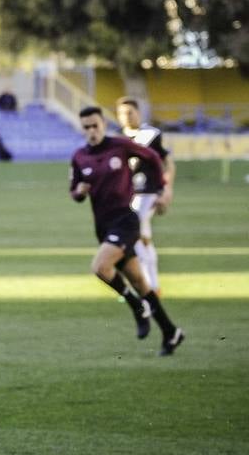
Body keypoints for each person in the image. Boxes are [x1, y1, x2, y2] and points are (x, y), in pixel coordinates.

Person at [70, 106, 183, 355]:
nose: (91, 131)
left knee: (100, 268)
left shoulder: (119, 145)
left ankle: (136, 306)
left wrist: (162, 188)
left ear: (103, 124)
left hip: (126, 220)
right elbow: (74, 191)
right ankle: (171, 332)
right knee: (140, 282)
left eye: (95, 125)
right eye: (86, 127)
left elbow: (153, 158)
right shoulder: (79, 156)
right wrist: (79, 192)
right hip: (103, 226)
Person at [115, 97, 175, 294]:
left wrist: (167, 189)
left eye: (130, 112)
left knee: (134, 236)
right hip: (128, 195)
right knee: (144, 239)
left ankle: (145, 287)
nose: (126, 116)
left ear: (138, 113)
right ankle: (152, 286)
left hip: (149, 193)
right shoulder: (117, 138)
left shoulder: (150, 135)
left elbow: (168, 162)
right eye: (122, 113)